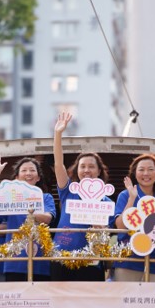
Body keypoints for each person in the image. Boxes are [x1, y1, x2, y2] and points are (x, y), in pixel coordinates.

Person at [51, 112, 112, 281]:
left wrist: (98, 226)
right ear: (76, 170)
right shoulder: (69, 190)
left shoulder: (106, 200)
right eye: (82, 166)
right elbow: (58, 164)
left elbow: (105, 233)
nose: (86, 170)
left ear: (99, 171)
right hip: (60, 256)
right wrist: (58, 134)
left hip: (91, 261)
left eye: (91, 166)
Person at [0, 157, 56, 281]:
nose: (28, 173)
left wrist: (27, 209)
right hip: (14, 261)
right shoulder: (11, 199)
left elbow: (47, 218)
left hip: (39, 261)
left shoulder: (45, 197)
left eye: (32, 170)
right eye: (24, 170)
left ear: (38, 177)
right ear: (17, 178)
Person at [112, 153, 155, 282]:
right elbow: (120, 226)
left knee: (150, 301)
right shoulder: (125, 195)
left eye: (150, 169)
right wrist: (132, 198)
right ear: (135, 173)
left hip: (153, 262)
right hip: (128, 260)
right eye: (141, 170)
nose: (146, 173)